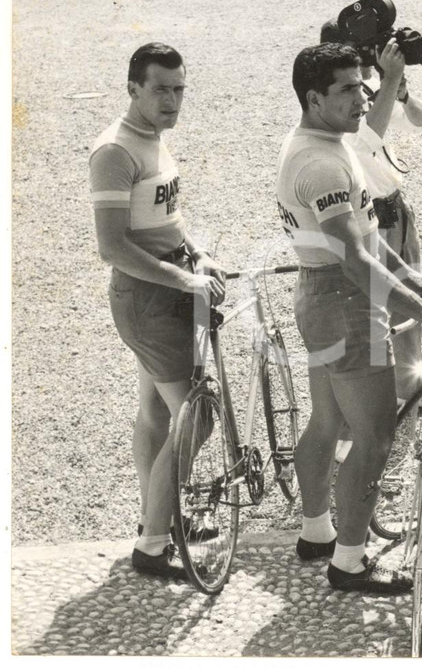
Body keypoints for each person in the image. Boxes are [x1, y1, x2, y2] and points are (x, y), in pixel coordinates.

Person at [276, 42, 422, 593]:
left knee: (327, 421)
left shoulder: (322, 141)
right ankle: (349, 562)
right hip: (345, 304)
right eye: (348, 89)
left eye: (364, 84)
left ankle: (317, 533)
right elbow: (355, 260)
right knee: (376, 435)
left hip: (321, 295)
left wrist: (409, 275)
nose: (364, 95)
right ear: (314, 98)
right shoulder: (323, 163)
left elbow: (367, 234)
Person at [90, 42, 227, 581]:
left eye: (179, 89)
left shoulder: (153, 140)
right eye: (161, 89)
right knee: (200, 414)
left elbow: (164, 218)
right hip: (148, 297)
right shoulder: (115, 152)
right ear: (133, 89)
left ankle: (162, 519)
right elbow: (113, 245)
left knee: (157, 411)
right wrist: (185, 278)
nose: (172, 100)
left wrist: (198, 251)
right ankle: (152, 543)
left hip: (167, 286)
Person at [320, 18, 422, 405]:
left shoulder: (374, 90)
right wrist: (388, 84)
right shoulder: (338, 109)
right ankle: (370, 402)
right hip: (368, 217)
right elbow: (370, 136)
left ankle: (409, 385)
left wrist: (400, 92)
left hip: (397, 208)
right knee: (375, 308)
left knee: (411, 294)